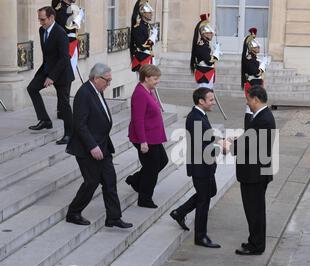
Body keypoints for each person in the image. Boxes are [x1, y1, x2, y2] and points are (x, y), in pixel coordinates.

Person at [65, 63, 133, 229]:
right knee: (91, 182)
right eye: (107, 80)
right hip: (88, 148)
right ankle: (73, 212)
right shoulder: (84, 94)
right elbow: (80, 124)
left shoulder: (97, 90)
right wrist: (92, 146)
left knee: (110, 181)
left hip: (103, 145)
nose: (109, 84)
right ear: (96, 78)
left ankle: (113, 217)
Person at [169, 87, 228, 248]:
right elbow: (199, 147)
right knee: (204, 200)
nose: (213, 102)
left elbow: (205, 136)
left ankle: (179, 212)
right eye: (211, 100)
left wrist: (220, 139)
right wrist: (221, 148)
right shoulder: (195, 118)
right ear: (201, 101)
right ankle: (200, 237)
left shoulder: (200, 115)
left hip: (205, 165)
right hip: (200, 166)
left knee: (210, 191)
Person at [230, 85, 276, 255]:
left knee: (254, 212)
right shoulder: (261, 116)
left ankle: (256, 245)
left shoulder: (263, 119)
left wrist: (231, 146)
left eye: (249, 100)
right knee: (254, 210)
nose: (247, 103)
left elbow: (250, 144)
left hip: (254, 175)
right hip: (255, 173)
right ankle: (254, 241)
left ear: (256, 99)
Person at [27, 6, 74, 145]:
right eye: (39, 19)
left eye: (43, 19)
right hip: (47, 69)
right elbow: (48, 55)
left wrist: (52, 77)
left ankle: (69, 134)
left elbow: (64, 58)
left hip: (62, 73)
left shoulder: (60, 33)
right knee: (32, 88)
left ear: (51, 18)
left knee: (64, 104)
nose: (41, 22)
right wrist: (45, 73)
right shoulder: (42, 30)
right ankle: (45, 120)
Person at [126, 64, 168, 208]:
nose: (158, 81)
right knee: (151, 168)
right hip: (145, 138)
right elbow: (138, 119)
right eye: (155, 79)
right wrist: (143, 141)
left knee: (162, 160)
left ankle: (136, 180)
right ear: (146, 78)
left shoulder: (148, 90)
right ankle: (145, 198)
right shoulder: (139, 93)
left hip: (153, 136)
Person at [241, 28, 268, 129]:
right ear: (251, 48)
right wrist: (262, 66)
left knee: (256, 107)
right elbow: (256, 73)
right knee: (249, 108)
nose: (258, 49)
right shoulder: (249, 58)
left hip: (256, 84)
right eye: (256, 47)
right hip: (252, 85)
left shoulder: (254, 58)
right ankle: (247, 128)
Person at [53, 0, 84, 83]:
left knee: (69, 75)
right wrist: (78, 18)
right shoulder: (60, 8)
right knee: (66, 77)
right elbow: (66, 26)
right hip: (67, 44)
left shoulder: (69, 7)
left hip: (72, 43)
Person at [190, 14, 222, 89]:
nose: (212, 35)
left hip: (208, 73)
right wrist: (216, 53)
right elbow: (209, 61)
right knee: (204, 94)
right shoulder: (202, 45)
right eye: (209, 33)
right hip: (204, 74)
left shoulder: (206, 44)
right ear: (204, 34)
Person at [130, 0, 158, 72]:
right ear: (143, 14)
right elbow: (143, 46)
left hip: (148, 57)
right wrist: (153, 36)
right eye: (149, 13)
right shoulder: (138, 27)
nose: (151, 14)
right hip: (142, 59)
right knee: (144, 82)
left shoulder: (147, 25)